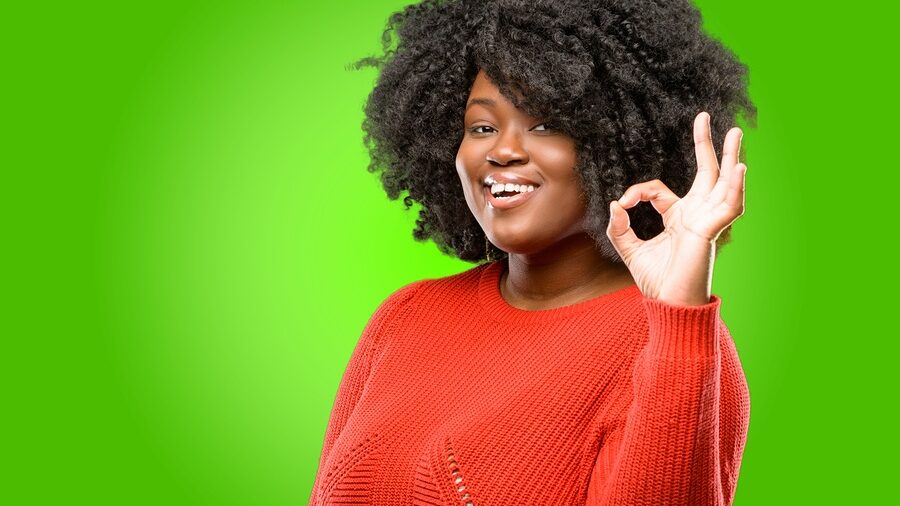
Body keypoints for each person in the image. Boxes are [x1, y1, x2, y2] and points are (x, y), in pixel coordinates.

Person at [309, 0, 755, 504]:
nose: (502, 150)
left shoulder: (675, 346)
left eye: (545, 125)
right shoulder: (405, 316)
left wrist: (676, 314)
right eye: (482, 127)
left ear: (619, 142)